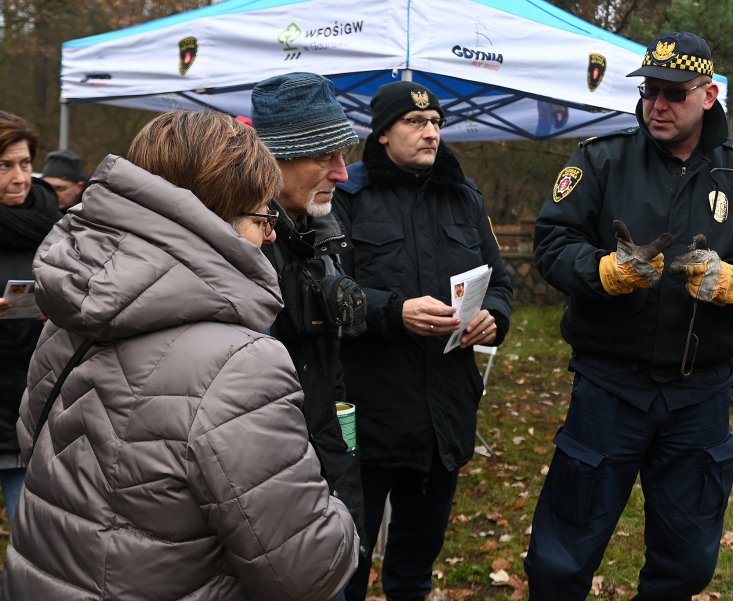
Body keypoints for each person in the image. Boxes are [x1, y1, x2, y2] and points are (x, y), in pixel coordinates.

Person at [1, 111, 358, 600]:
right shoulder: (240, 364)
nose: (271, 235)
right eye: (261, 216)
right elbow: (304, 570)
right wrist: (339, 511)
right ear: (214, 223)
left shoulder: (72, 313)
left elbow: (37, 444)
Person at [525, 32, 733, 601]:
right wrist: (601, 272)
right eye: (650, 91)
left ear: (709, 95)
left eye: (674, 93)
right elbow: (552, 242)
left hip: (699, 396)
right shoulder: (601, 160)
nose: (658, 105)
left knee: (687, 563)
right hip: (609, 388)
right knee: (559, 558)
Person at [332, 80, 513, 601]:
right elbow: (328, 295)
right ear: (383, 134)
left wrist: (493, 318)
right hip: (366, 416)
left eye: (435, 122)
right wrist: (395, 312)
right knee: (346, 564)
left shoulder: (463, 195)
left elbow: (498, 284)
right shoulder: (348, 196)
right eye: (415, 123)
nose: (430, 132)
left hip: (443, 419)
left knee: (414, 569)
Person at [250, 72, 367, 565]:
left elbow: (328, 373)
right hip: (268, 503)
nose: (342, 173)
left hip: (322, 476)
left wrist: (345, 459)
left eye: (344, 156)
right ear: (272, 161)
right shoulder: (243, 250)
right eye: (325, 156)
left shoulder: (320, 232)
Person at [0, 111, 61, 526]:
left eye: (24, 163)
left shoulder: (55, 225)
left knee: (33, 535)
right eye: (4, 166)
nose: (20, 178)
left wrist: (60, 312)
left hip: (32, 401)